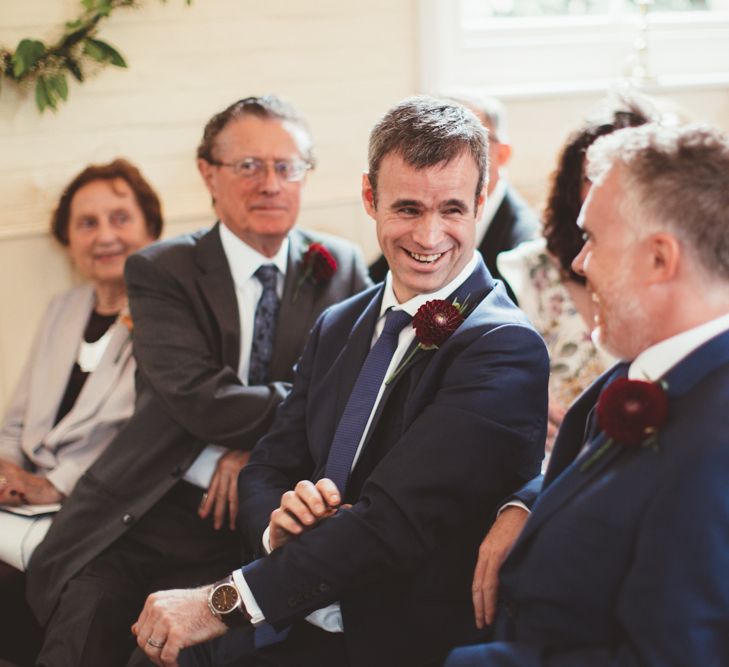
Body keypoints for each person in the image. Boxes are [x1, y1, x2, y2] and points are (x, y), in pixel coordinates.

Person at [131, 95, 549, 667]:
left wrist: (218, 605)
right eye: (407, 209)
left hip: (391, 635)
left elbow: (394, 522)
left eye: (452, 209)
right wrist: (280, 526)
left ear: (480, 203)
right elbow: (269, 464)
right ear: (370, 199)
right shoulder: (340, 322)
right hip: (296, 603)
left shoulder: (504, 347)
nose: (429, 237)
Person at [27, 95, 371, 667]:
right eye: (249, 166)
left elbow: (349, 400)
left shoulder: (341, 264)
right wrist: (275, 421)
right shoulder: (162, 270)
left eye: (287, 166)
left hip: (257, 521)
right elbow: (201, 401)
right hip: (151, 506)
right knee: (81, 626)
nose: (270, 183)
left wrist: (253, 456)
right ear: (208, 174)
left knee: (169, 654)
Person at [446, 122, 729, 666]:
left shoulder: (715, 446)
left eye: (593, 239)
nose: (577, 264)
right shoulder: (642, 374)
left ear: (659, 259)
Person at [0, 158, 162, 665]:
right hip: (22, 504)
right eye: (87, 224)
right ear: (68, 240)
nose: (104, 236)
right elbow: (16, 421)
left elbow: (146, 435)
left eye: (120, 218)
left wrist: (57, 484)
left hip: (100, 506)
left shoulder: (165, 317)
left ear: (150, 227)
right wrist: (5, 469)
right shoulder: (62, 309)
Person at [497, 98, 655, 452]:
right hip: (550, 458)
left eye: (629, 176)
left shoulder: (672, 278)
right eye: (594, 177)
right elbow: (494, 374)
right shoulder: (525, 271)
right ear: (573, 186)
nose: (611, 191)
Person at [369, 94, 539, 301]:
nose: (429, 239)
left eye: (469, 139)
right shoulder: (408, 207)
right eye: (409, 210)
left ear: (502, 154)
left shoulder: (524, 239)